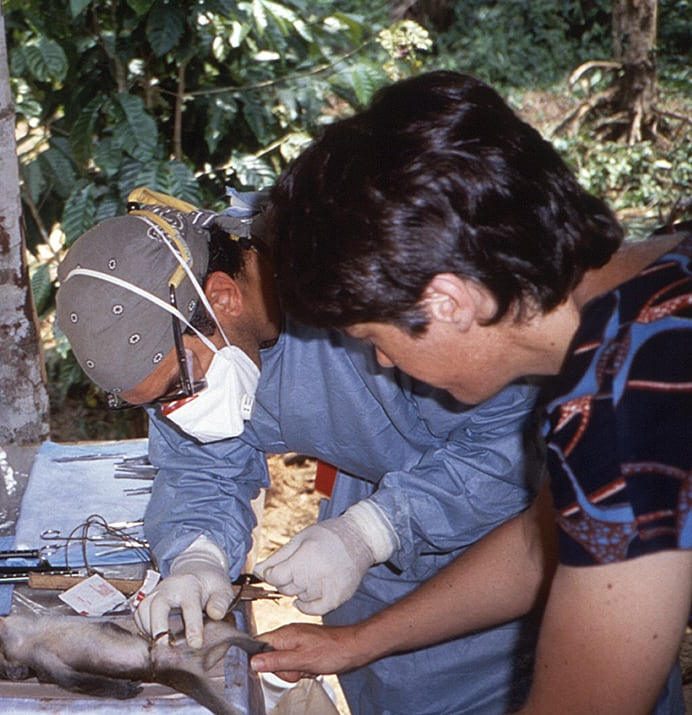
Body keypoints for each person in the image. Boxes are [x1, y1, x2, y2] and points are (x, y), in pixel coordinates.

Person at [256, 69, 691, 714]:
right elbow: (536, 542)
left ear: (447, 302)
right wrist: (357, 643)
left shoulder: (622, 401)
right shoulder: (662, 275)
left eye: (372, 335)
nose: (378, 359)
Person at [54, 187, 543, 714]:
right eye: (154, 404)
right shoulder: (194, 344)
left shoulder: (354, 277)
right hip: (381, 550)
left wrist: (375, 530)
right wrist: (198, 555)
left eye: (177, 386)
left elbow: (510, 442)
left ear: (223, 297)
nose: (179, 411)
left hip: (524, 545)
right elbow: (199, 466)